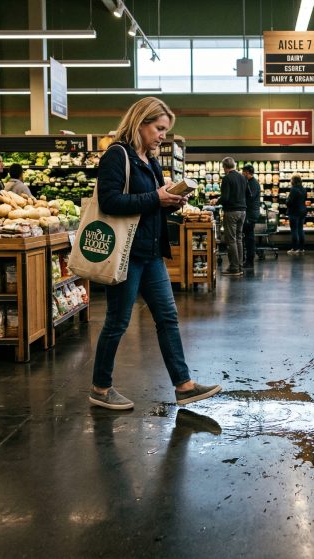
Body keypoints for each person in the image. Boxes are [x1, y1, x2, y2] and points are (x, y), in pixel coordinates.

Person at [89, 96, 221, 410]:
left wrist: (172, 201)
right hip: (126, 253)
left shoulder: (150, 159)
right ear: (141, 122)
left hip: (150, 253)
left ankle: (184, 385)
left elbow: (152, 201)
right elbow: (109, 202)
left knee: (168, 317)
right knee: (118, 322)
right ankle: (100, 387)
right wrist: (155, 198)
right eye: (159, 128)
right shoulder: (116, 155)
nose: (163, 135)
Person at [219, 156, 248, 276]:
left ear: (225, 167)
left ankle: (234, 268)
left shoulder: (227, 178)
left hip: (231, 212)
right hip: (243, 211)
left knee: (231, 240)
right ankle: (240, 265)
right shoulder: (243, 177)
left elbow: (225, 198)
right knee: (239, 238)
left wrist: (217, 201)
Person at [241, 164, 262, 270]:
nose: (242, 174)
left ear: (247, 172)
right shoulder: (250, 182)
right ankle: (247, 260)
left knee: (249, 238)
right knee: (248, 237)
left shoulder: (252, 183)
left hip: (250, 214)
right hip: (250, 213)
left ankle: (249, 261)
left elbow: (250, 197)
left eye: (243, 172)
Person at [286, 174, 307, 254]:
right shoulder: (303, 189)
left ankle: (294, 249)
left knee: (294, 230)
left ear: (294, 181)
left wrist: (286, 201)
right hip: (302, 211)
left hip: (294, 212)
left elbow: (290, 202)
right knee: (300, 229)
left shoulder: (293, 189)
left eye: (291, 180)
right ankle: (301, 249)